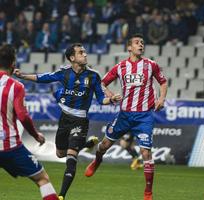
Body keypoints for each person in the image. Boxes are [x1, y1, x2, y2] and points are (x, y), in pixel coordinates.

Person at [14, 43, 121, 200]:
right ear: (72, 58)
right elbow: (43, 78)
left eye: (84, 52)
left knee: (71, 158)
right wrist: (23, 76)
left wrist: (111, 99)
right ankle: (86, 145)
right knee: (60, 153)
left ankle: (61, 195)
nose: (85, 54)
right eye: (80, 53)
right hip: (64, 118)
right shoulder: (64, 73)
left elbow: (100, 99)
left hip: (81, 120)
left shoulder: (93, 76)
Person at [84, 33, 168, 200]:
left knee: (146, 154)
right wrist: (110, 95)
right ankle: (97, 161)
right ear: (129, 47)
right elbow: (102, 83)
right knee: (103, 146)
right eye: (137, 42)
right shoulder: (120, 67)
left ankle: (148, 192)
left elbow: (163, 82)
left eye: (143, 42)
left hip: (144, 116)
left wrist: (161, 98)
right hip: (124, 115)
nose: (141, 45)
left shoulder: (151, 65)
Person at [0, 44, 58, 200]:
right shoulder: (16, 86)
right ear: (13, 63)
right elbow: (23, 116)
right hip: (10, 146)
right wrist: (36, 135)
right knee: (42, 179)